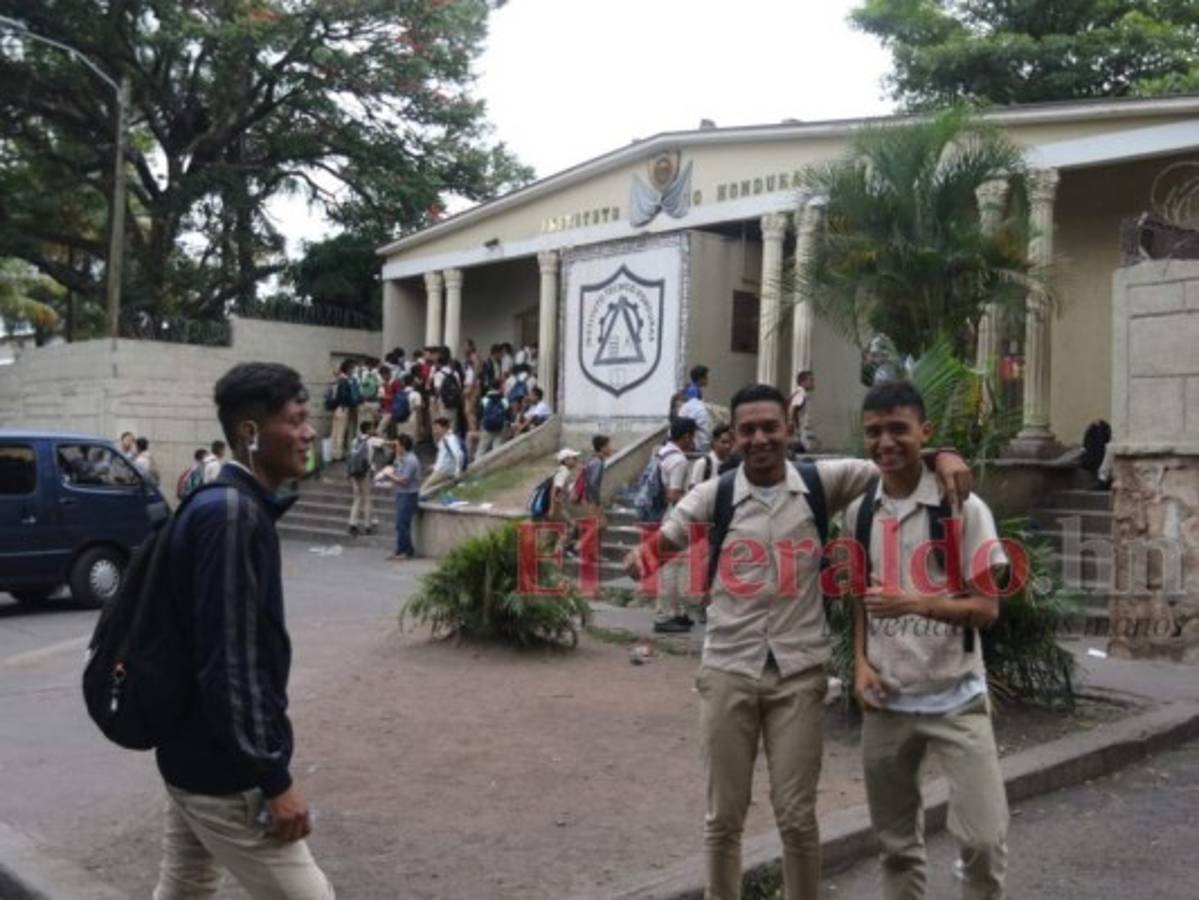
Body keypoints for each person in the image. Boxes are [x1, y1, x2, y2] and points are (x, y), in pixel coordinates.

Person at [624, 383, 971, 900]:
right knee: (724, 816)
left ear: (788, 427)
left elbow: (892, 458)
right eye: (748, 430)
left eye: (770, 427)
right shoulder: (713, 496)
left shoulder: (820, 482)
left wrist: (944, 455)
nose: (760, 438)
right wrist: (642, 559)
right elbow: (662, 544)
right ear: (733, 438)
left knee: (798, 817)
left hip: (798, 674)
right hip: (728, 670)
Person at [152, 361, 332, 900]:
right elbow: (230, 662)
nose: (309, 433)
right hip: (223, 771)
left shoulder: (222, 503)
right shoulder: (232, 516)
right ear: (250, 433)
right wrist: (273, 781)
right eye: (297, 420)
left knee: (185, 887)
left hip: (190, 751)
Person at [847, 381, 1009, 900]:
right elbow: (861, 598)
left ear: (925, 433)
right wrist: (859, 665)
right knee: (895, 846)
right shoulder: (860, 511)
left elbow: (986, 610)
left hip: (957, 697)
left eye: (899, 429)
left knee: (983, 841)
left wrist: (914, 603)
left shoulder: (965, 508)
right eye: (874, 432)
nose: (886, 442)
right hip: (887, 701)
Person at [650, 417, 697, 634]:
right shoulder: (678, 460)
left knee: (676, 567)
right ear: (686, 436)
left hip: (666, 517)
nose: (694, 440)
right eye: (693, 436)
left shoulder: (662, 453)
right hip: (675, 519)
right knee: (671, 568)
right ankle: (664, 617)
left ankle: (677, 613)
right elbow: (674, 494)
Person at [378, 433, 421, 560]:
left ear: (403, 446)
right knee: (400, 524)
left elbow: (404, 481)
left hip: (408, 494)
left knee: (402, 524)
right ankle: (402, 549)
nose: (395, 447)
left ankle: (405, 551)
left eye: (397, 445)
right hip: (401, 493)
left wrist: (388, 475)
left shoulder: (411, 460)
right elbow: (397, 470)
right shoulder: (401, 458)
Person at [346, 421, 377, 537]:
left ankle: (352, 524)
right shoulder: (371, 441)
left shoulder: (355, 441)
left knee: (357, 498)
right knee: (367, 498)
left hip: (354, 472)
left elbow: (350, 457)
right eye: (372, 428)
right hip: (366, 472)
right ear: (368, 429)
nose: (374, 430)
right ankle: (367, 526)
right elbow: (370, 459)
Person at [549, 448, 581, 555]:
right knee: (571, 526)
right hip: (559, 506)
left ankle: (561, 550)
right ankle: (558, 551)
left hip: (559, 505)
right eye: (574, 458)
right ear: (566, 460)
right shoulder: (563, 471)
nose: (576, 460)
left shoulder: (564, 471)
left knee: (568, 527)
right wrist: (553, 508)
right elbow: (556, 489)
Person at [579, 434, 614, 528]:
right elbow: (593, 483)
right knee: (599, 524)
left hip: (588, 499)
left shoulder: (594, 460)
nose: (611, 448)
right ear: (602, 448)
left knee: (598, 524)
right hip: (591, 500)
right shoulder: (597, 463)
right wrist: (596, 503)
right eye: (608, 446)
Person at [423, 416, 464, 493]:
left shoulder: (449, 439)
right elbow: (444, 457)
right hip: (442, 469)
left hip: (443, 471)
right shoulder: (444, 439)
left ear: (444, 428)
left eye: (437, 428)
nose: (435, 431)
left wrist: (457, 473)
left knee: (424, 488)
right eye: (434, 429)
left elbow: (459, 455)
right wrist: (434, 466)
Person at [688, 424, 734, 490]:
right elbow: (694, 490)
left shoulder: (732, 464)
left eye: (730, 442)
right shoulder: (703, 463)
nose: (728, 446)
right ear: (714, 442)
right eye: (723, 442)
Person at [476, 386, 509, 458]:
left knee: (481, 449)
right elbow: (508, 414)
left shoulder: (484, 399)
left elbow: (480, 414)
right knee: (497, 449)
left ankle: (477, 465)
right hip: (500, 427)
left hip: (487, 427)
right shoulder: (504, 399)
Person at [789, 370, 816, 453]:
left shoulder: (802, 393)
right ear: (803, 382)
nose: (813, 383)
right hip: (800, 431)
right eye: (811, 380)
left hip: (800, 430)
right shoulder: (801, 393)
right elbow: (793, 408)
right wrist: (794, 428)